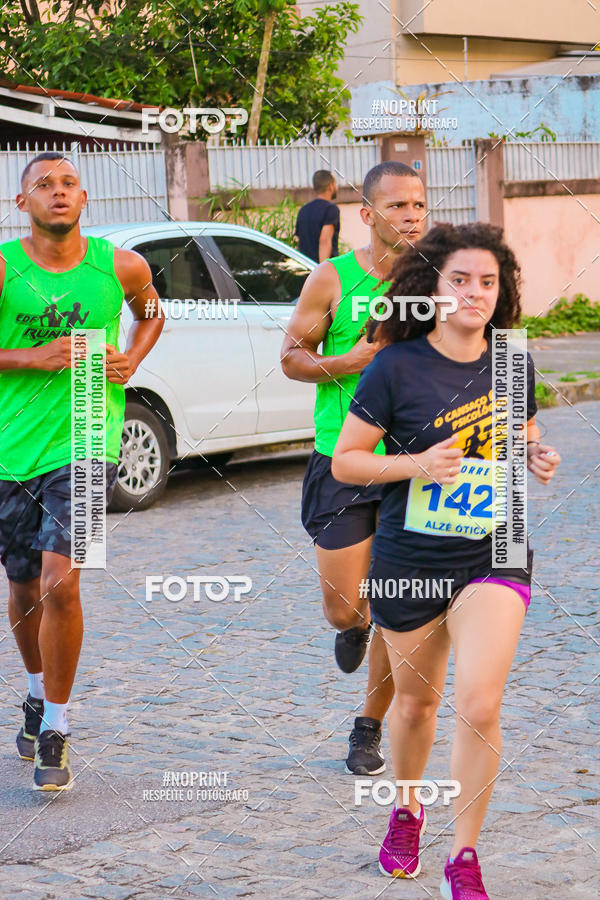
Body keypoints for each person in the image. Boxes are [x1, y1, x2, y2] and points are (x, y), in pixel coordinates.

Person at [332, 222, 561, 897]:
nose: (474, 293)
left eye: (488, 282)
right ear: (432, 286)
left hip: (497, 548)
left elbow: (522, 437)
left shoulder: (513, 360)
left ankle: (464, 857)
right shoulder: (396, 366)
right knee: (413, 706)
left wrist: (536, 455)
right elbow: (348, 461)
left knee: (480, 703)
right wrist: (417, 464)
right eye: (460, 279)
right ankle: (406, 808)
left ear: (502, 291)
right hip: (411, 556)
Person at [0, 152, 164, 791]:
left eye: (68, 184)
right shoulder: (6, 266)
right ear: (23, 204)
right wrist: (31, 356)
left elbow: (152, 313)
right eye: (44, 185)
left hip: (89, 442)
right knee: (20, 589)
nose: (58, 193)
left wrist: (132, 357)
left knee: (61, 585)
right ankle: (38, 692)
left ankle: (58, 729)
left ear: (85, 197)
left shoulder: (120, 266)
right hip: (11, 450)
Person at [282, 161, 426, 775]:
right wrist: (355, 359)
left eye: (419, 204)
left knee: (402, 606)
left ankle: (367, 727)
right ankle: (355, 623)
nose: (411, 215)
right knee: (346, 607)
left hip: (417, 467)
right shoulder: (332, 279)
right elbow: (291, 357)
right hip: (341, 461)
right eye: (396, 206)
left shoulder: (445, 278)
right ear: (366, 215)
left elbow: (493, 346)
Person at [295, 169, 340, 263]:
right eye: (336, 184)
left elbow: (300, 241)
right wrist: (321, 271)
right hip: (323, 270)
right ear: (331, 186)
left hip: (305, 268)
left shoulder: (303, 210)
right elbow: (325, 241)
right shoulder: (331, 209)